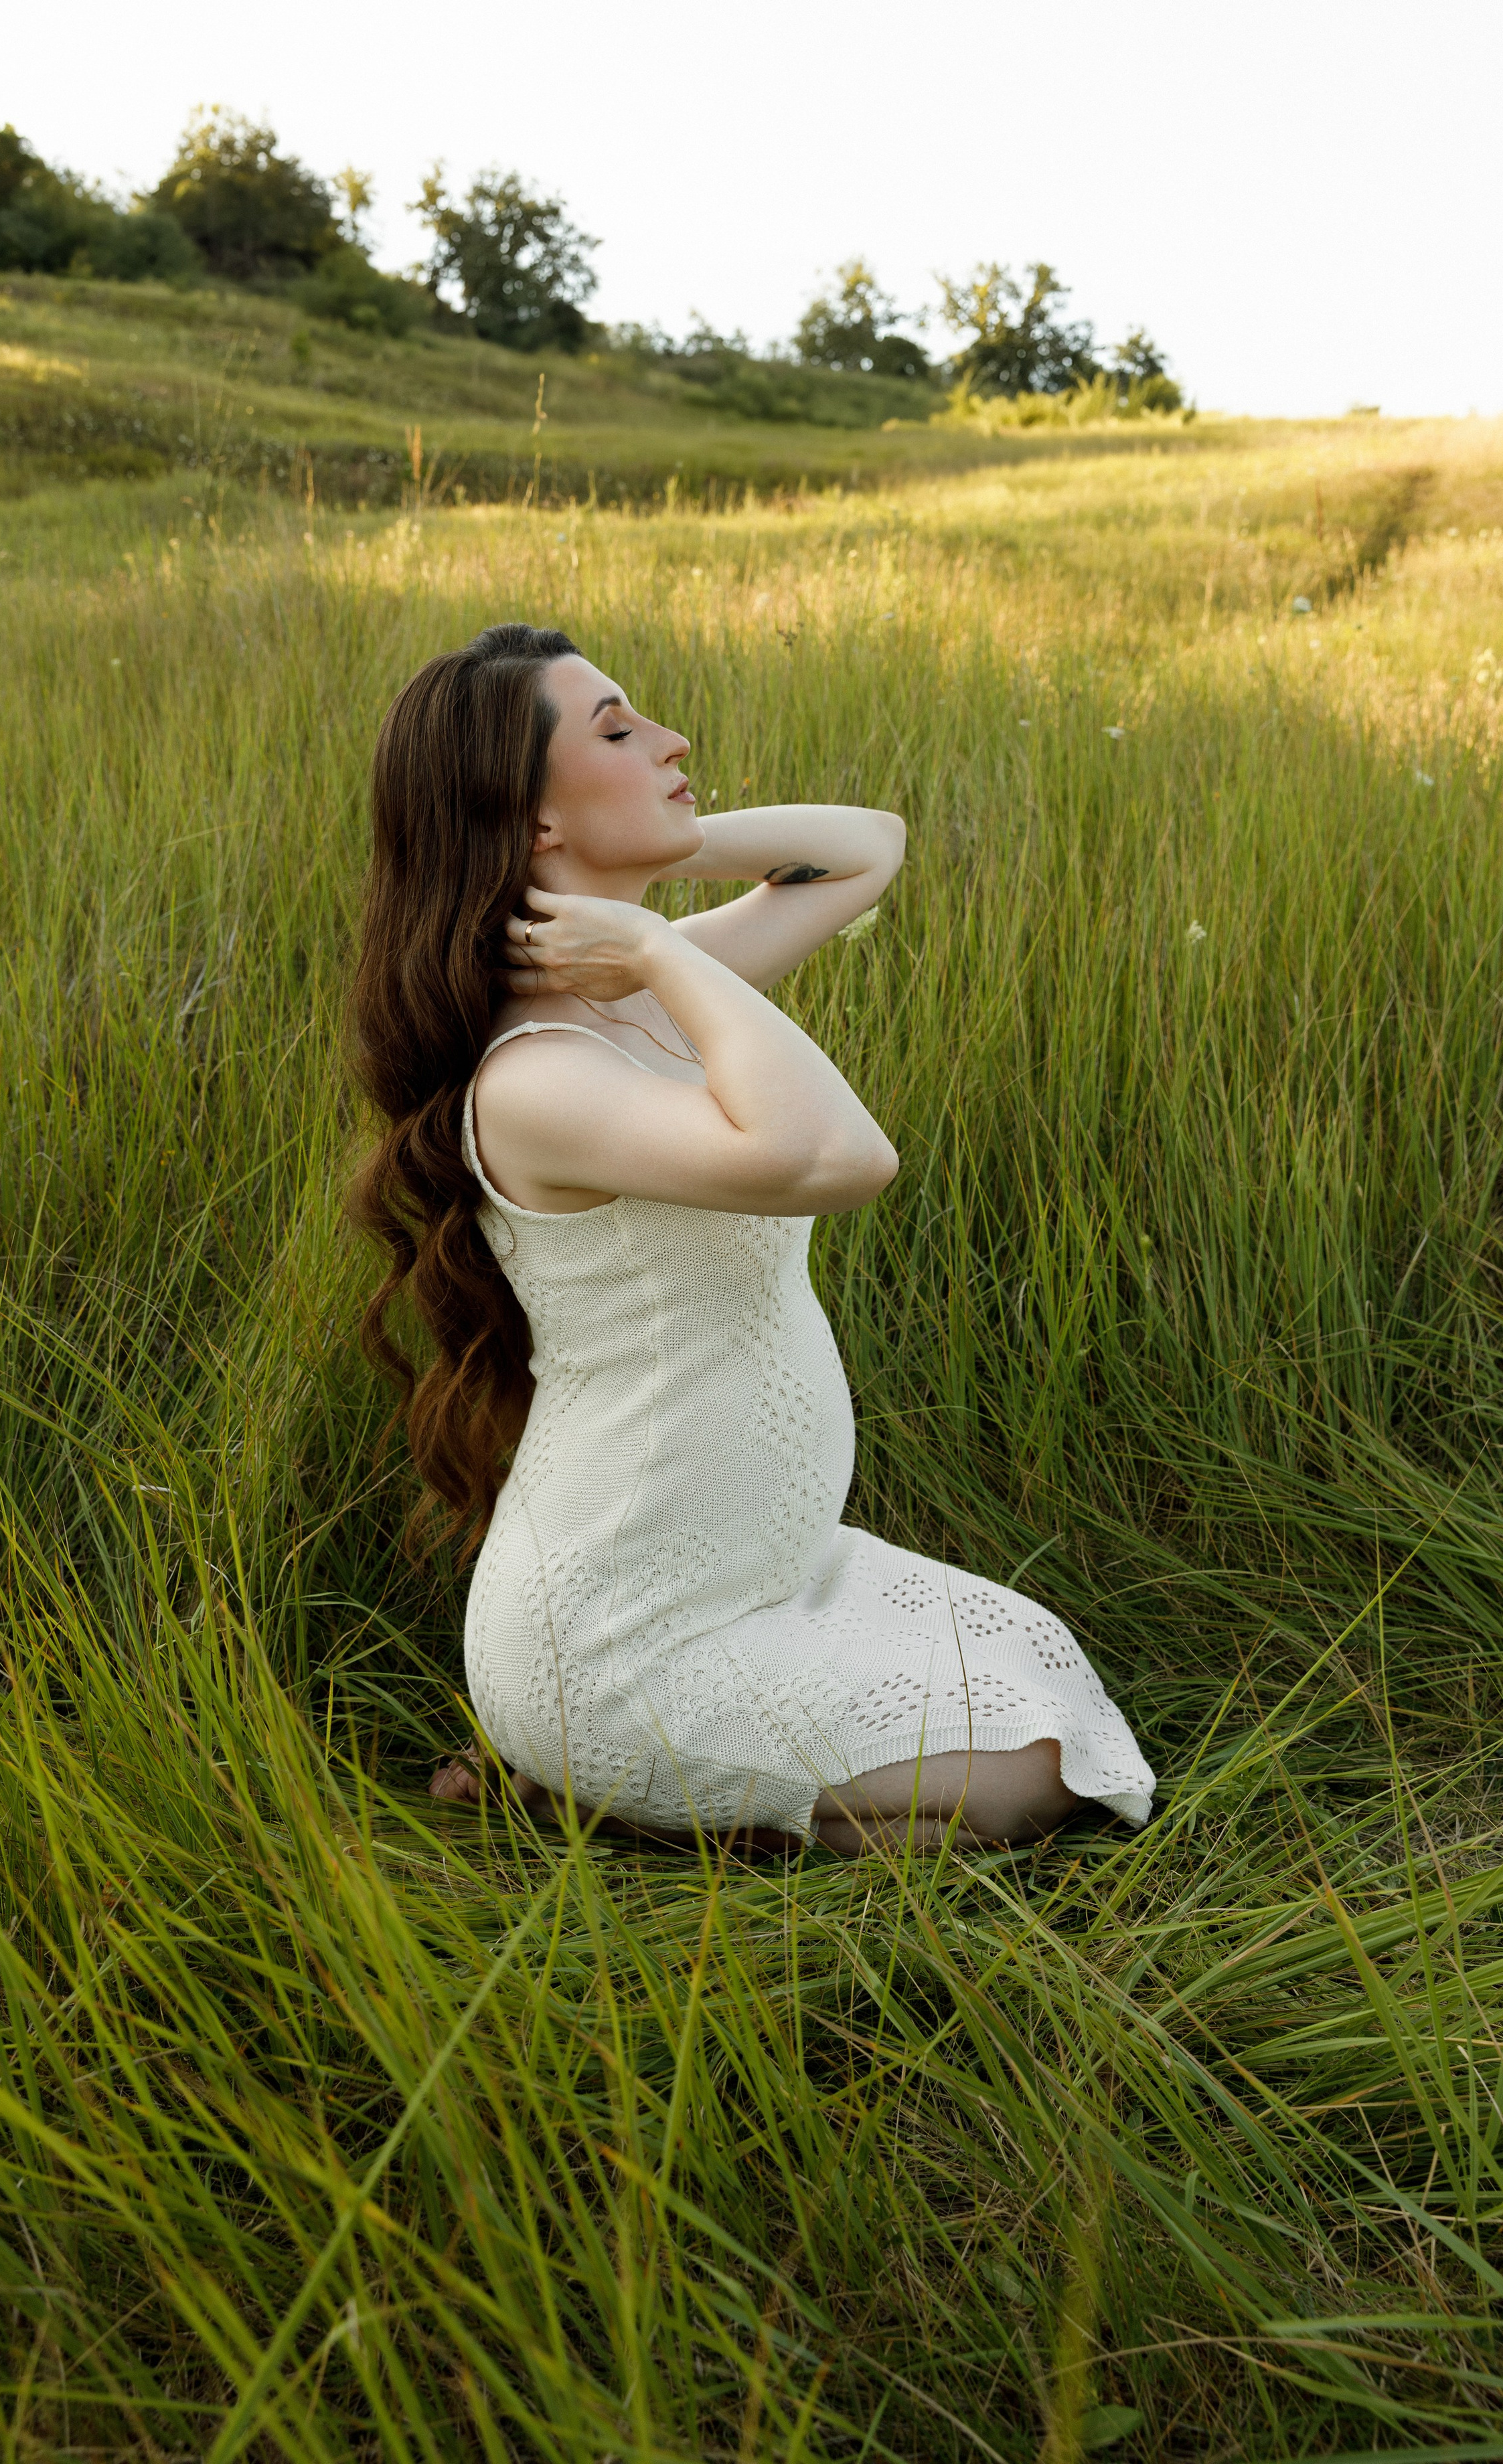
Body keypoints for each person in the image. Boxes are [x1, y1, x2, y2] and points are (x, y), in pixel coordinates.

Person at [347, 623, 1156, 1856]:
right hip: (616, 1639)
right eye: (619, 731)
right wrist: (660, 938)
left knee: (1039, 1659)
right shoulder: (536, 1080)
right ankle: (614, 1801)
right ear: (532, 820)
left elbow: (861, 849)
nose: (674, 741)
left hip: (756, 1574)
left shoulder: (630, 991)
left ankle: (622, 1788)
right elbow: (835, 1160)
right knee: (1028, 1785)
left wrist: (651, 869)